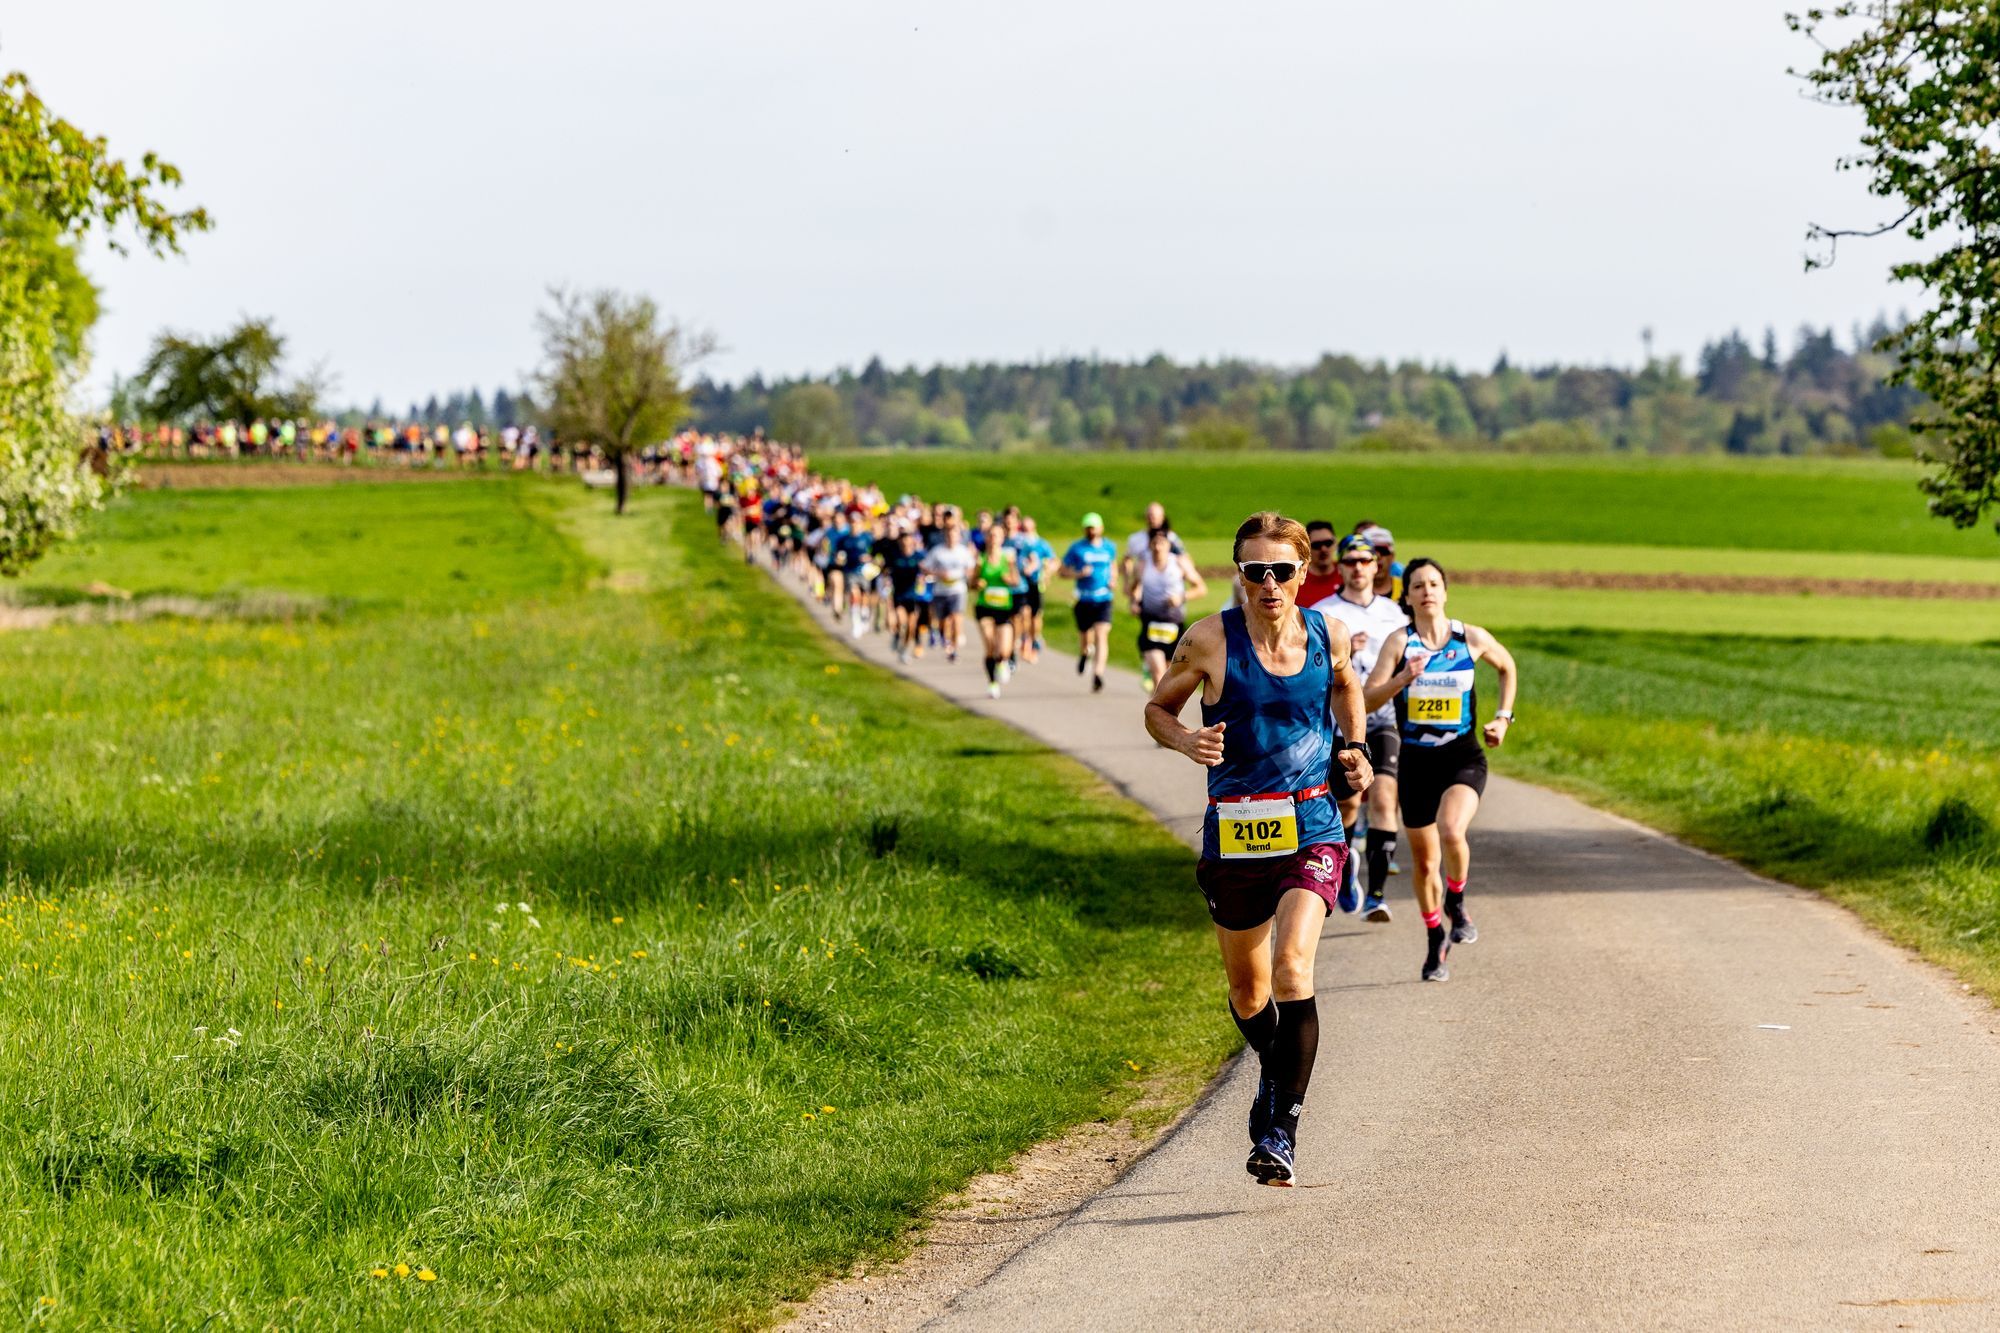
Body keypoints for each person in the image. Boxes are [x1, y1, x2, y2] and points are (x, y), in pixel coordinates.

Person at [1143, 511, 1373, 1188]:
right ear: (1238, 573)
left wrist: (1353, 748)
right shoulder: (1210, 639)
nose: (1268, 583)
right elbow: (1159, 709)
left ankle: (1280, 1130)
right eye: (1254, 571)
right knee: (1249, 991)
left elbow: (1347, 685)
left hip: (1311, 823)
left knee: (1293, 969)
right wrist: (1186, 740)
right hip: (1236, 829)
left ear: (1304, 571)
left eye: (1281, 570)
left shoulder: (1326, 630)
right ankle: (1276, 1079)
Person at [1363, 558, 1518, 982]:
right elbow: (1367, 699)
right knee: (1425, 863)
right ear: (1408, 597)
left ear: (1445, 591)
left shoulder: (1471, 638)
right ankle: (1435, 938)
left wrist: (1503, 718)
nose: (1427, 590)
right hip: (1415, 763)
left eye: (1434, 583)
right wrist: (1401, 680)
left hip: (1462, 755)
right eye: (1418, 585)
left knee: (1451, 830)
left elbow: (1507, 667)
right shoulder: (1400, 643)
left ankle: (1457, 901)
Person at [1310, 533, 1410, 921]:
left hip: (1383, 719)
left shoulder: (1394, 614)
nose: (1357, 568)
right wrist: (1345, 647)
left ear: (1375, 566)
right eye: (1349, 561)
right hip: (1337, 722)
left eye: (1364, 561)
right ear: (1341, 565)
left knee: (1384, 799)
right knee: (1348, 803)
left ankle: (1377, 895)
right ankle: (1346, 868)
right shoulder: (1323, 612)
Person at [1131, 527, 1207, 691]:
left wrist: (1181, 597)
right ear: (1150, 545)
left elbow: (1201, 588)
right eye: (1155, 543)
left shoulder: (1179, 563)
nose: (1158, 547)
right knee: (1158, 672)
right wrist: (1134, 603)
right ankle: (1155, 710)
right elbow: (1134, 589)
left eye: (1162, 543)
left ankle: (1156, 710)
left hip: (1174, 624)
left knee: (1167, 676)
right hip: (1150, 623)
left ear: (1168, 544)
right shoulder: (1143, 565)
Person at [1060, 512, 1118, 693]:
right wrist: (1078, 574)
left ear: (1101, 528)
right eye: (1088, 527)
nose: (1091, 531)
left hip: (1104, 599)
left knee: (1101, 635)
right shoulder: (1077, 548)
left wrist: (1113, 579)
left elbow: (1113, 566)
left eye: (1094, 527)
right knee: (1086, 639)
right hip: (1084, 599)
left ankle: (1098, 674)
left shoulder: (1109, 547)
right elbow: (1062, 571)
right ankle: (1085, 653)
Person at [921, 511, 975, 664]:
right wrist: (938, 573)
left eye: (955, 534)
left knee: (957, 618)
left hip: (958, 590)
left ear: (959, 536)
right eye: (949, 534)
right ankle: (947, 642)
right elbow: (925, 566)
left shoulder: (963, 552)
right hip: (941, 590)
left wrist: (966, 575)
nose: (952, 537)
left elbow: (971, 568)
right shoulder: (938, 551)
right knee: (944, 623)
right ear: (946, 535)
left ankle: (955, 649)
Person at [972, 532, 1019, 698]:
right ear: (987, 539)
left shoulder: (1008, 559)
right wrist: (977, 583)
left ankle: (1002, 662)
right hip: (984, 607)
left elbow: (1016, 581)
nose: (993, 540)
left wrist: (1009, 578)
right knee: (990, 645)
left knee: (1004, 649)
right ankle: (992, 683)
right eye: (991, 536)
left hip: (1003, 608)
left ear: (1001, 539)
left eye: (997, 536)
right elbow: (971, 582)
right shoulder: (981, 560)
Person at [1010, 516, 1054, 663]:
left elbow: (1052, 561)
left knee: (1036, 615)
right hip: (1022, 584)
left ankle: (1035, 637)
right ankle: (1025, 641)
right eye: (1023, 529)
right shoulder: (1019, 544)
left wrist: (1047, 573)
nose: (1025, 532)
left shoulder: (1041, 544)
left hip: (1036, 583)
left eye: (1028, 529)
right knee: (1024, 614)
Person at [1121, 501, 1185, 601]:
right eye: (1150, 516)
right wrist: (1126, 582)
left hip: (1165, 587)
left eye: (1156, 516)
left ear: (1163, 517)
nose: (1153, 520)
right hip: (1143, 586)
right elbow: (1127, 559)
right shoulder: (1136, 539)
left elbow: (1183, 558)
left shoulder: (1171, 539)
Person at [1297, 520, 1344, 609]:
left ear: (1335, 544)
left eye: (1328, 543)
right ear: (1306, 548)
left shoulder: (1348, 573)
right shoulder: (1298, 580)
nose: (1323, 549)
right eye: (1316, 545)